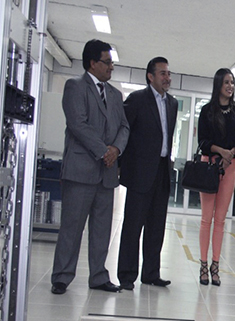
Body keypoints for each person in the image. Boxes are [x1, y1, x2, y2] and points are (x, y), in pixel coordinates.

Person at [51, 39, 129, 295]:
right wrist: (103, 151)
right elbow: (77, 123)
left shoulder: (116, 95)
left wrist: (115, 150)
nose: (111, 68)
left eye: (112, 63)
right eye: (107, 62)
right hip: (80, 172)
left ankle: (98, 276)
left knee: (101, 230)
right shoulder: (75, 87)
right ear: (93, 63)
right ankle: (62, 276)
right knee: (72, 227)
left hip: (106, 175)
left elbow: (124, 127)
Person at [117, 57, 178, 290]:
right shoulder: (137, 100)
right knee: (133, 227)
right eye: (162, 73)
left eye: (168, 73)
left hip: (162, 171)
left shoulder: (172, 104)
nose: (167, 77)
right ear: (150, 77)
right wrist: (121, 165)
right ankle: (126, 275)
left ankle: (151, 273)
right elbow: (124, 133)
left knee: (156, 227)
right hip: (140, 173)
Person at [197, 68, 235, 286]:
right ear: (218, 84)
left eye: (233, 83)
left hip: (230, 167)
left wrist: (231, 154)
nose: (230, 86)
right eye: (226, 82)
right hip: (209, 166)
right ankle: (203, 265)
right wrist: (221, 151)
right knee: (206, 218)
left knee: (221, 219)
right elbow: (202, 142)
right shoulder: (207, 111)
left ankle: (215, 266)